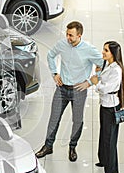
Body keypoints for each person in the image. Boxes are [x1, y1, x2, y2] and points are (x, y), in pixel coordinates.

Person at [35, 21, 103, 161]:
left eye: (71, 35)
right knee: (54, 118)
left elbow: (104, 65)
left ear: (79, 35)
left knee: (77, 121)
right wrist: (55, 73)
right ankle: (48, 146)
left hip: (79, 90)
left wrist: (90, 82)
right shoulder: (62, 44)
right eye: (67, 34)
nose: (68, 38)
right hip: (62, 89)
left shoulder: (89, 50)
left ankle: (72, 147)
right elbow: (50, 55)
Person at [90, 41, 124, 173]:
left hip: (111, 108)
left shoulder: (117, 70)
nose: (103, 52)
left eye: (106, 50)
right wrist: (98, 74)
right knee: (103, 134)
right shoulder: (107, 64)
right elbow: (101, 77)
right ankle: (103, 160)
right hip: (104, 104)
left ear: (113, 54)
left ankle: (111, 171)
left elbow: (106, 88)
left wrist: (96, 83)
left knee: (109, 139)